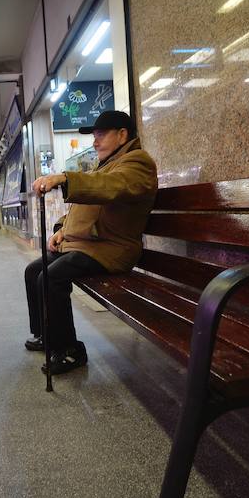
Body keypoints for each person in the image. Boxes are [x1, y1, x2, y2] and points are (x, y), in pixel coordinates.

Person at [24, 110, 157, 374]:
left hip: (112, 249)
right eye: (94, 136)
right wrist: (62, 229)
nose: (95, 142)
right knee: (33, 271)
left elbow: (108, 186)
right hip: (89, 244)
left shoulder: (137, 163)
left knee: (52, 277)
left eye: (101, 135)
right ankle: (47, 337)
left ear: (122, 135)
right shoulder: (108, 164)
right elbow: (84, 207)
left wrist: (65, 177)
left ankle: (69, 350)